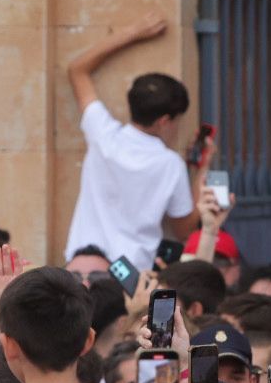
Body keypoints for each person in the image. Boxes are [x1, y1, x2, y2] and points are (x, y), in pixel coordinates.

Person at [63, 18, 200, 273]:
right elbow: (185, 229)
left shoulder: (102, 134)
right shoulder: (170, 164)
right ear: (164, 121)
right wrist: (202, 170)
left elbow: (77, 69)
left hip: (80, 268)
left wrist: (134, 31)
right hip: (129, 276)